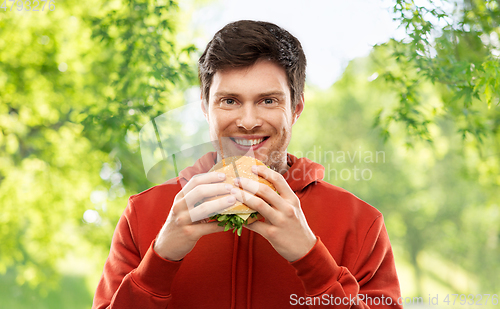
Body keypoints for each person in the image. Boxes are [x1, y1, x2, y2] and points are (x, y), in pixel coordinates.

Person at [92, 20, 402, 308]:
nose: (249, 121)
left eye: (268, 100)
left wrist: (312, 260)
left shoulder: (360, 223)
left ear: (296, 108)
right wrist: (160, 259)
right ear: (205, 107)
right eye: (230, 101)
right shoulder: (142, 215)